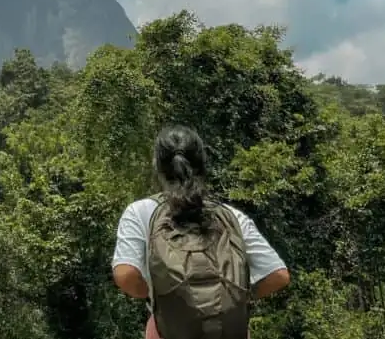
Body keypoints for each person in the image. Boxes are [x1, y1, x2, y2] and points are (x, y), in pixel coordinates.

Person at [111, 125, 291, 339]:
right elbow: (278, 275)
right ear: (202, 164)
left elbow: (126, 274)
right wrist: (237, 299)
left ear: (158, 166)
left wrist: (155, 297)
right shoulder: (231, 216)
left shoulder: (140, 212)